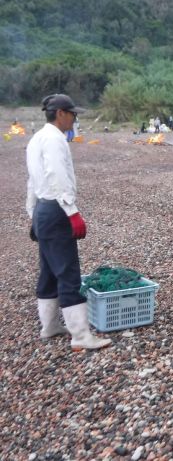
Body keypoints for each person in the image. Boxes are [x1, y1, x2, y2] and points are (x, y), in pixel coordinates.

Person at [26, 94, 111, 351]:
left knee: (49, 271)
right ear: (61, 113)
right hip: (55, 210)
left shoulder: (36, 138)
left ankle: (49, 326)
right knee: (68, 272)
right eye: (73, 114)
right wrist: (71, 211)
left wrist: (32, 212)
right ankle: (81, 335)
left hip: (43, 208)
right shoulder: (54, 139)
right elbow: (57, 175)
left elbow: (32, 180)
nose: (75, 119)